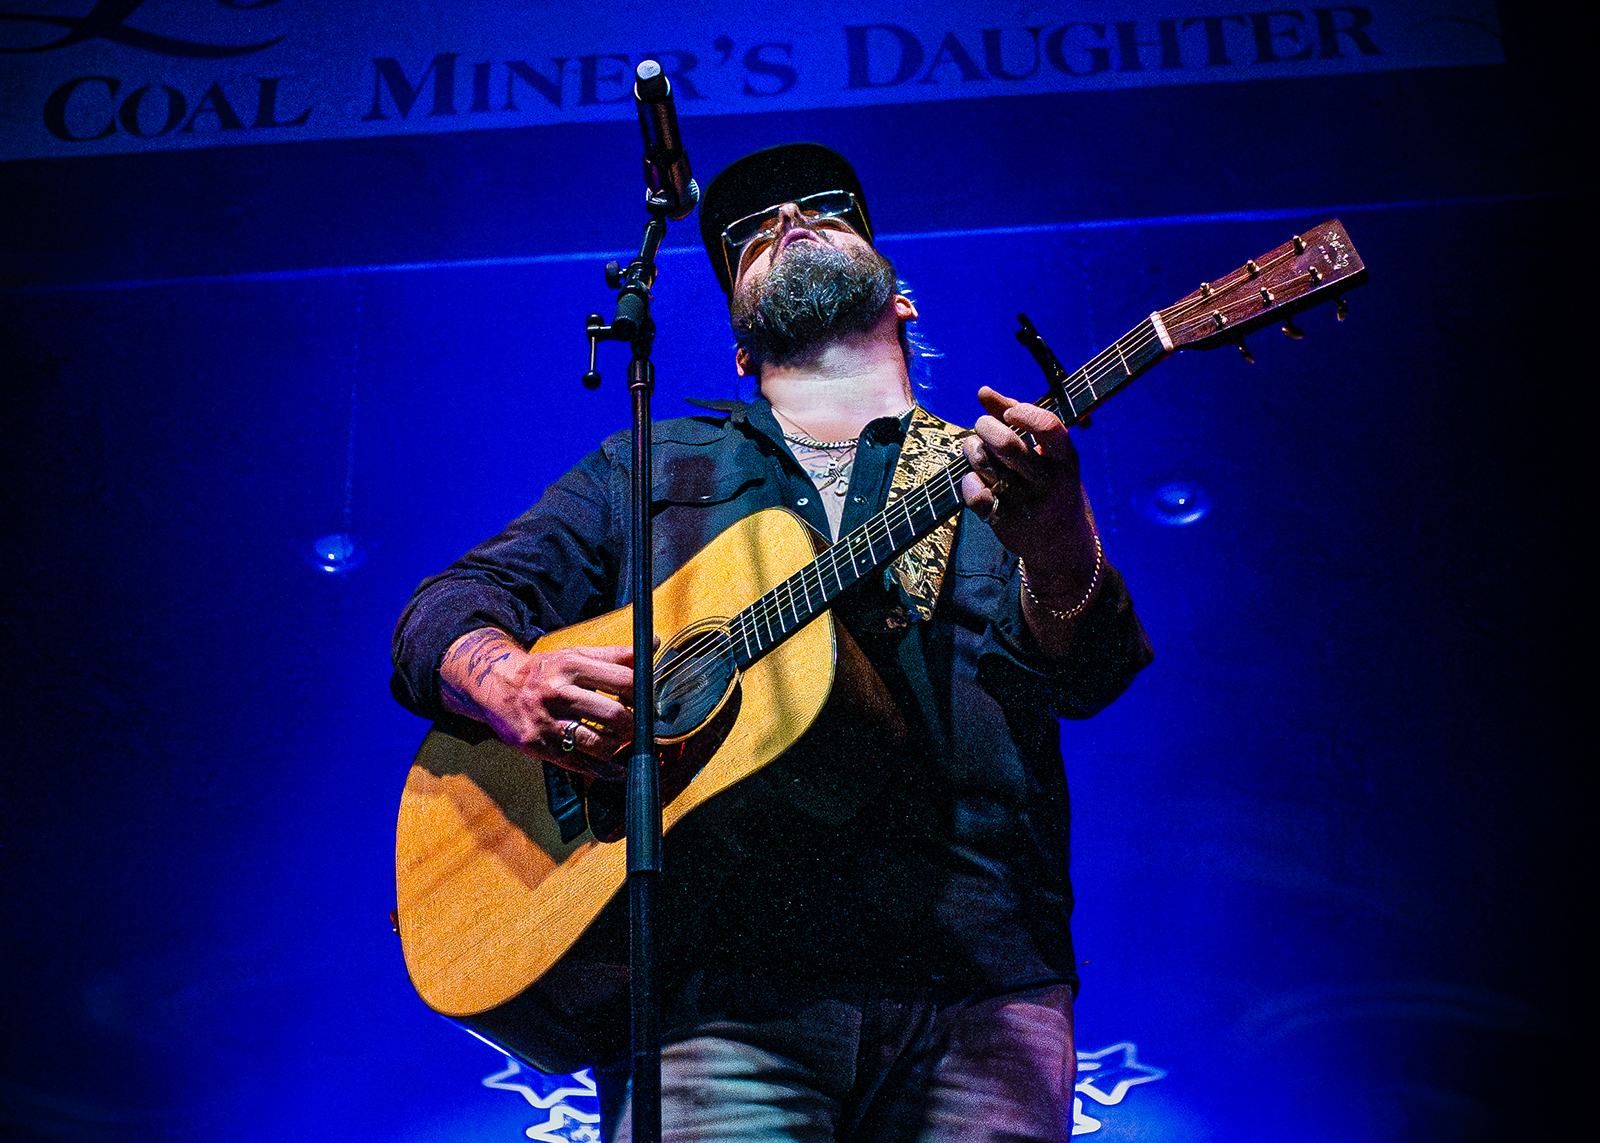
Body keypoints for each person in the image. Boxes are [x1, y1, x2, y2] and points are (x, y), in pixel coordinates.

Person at [391, 143, 1153, 1142]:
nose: (788, 219)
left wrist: (1058, 537)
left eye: (827, 210)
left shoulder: (999, 467)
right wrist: (506, 677)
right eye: (749, 235)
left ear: (903, 302)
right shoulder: (658, 462)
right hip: (715, 992)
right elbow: (443, 610)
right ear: (742, 348)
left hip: (979, 984)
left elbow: (1089, 675)